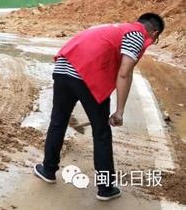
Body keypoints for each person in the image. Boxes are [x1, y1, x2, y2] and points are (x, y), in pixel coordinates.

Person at [33, 13, 165, 201]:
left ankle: (48, 169)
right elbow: (125, 73)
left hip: (63, 68)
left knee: (58, 122)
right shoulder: (138, 35)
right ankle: (106, 188)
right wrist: (119, 111)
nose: (151, 42)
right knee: (101, 132)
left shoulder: (117, 28)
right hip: (86, 76)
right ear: (154, 32)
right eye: (155, 39)